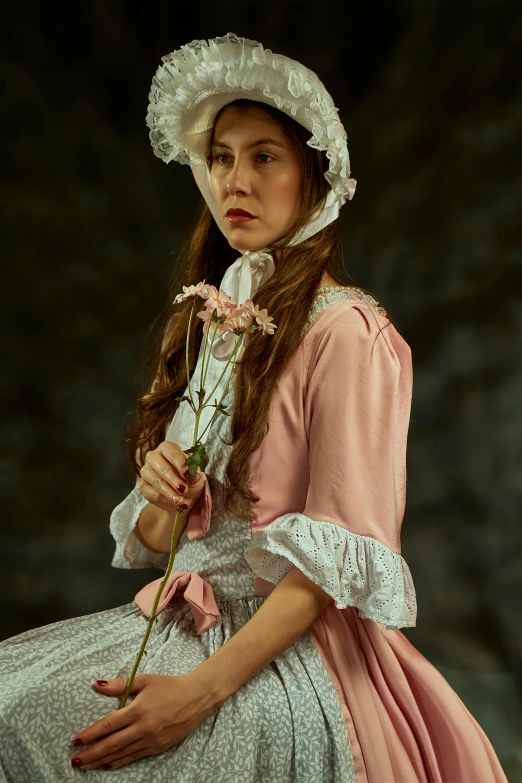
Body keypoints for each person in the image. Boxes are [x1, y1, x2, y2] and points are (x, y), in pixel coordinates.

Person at [0, 33, 508, 783]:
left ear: (314, 174)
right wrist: (159, 488)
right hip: (183, 622)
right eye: (223, 157)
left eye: (264, 156)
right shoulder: (220, 316)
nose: (236, 178)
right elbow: (165, 535)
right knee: (11, 695)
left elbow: (329, 568)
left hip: (285, 653)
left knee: (36, 719)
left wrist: (195, 695)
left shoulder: (349, 333)